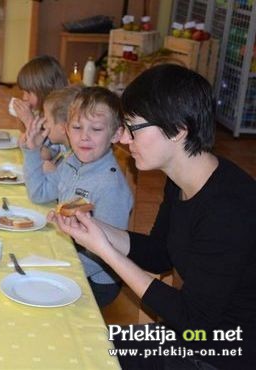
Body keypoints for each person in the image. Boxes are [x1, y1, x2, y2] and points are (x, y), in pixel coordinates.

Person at [49, 64, 256, 369]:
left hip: (225, 350)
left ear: (177, 130)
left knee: (86, 357)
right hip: (192, 334)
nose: (123, 139)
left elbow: (192, 320)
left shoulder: (229, 208)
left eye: (133, 127)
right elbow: (160, 254)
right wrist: (95, 228)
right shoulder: (181, 180)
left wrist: (105, 250)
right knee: (75, 347)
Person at [22, 86, 133, 307]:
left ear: (116, 134)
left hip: (96, 277)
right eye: (77, 127)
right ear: (66, 130)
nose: (84, 136)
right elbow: (39, 193)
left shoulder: (110, 186)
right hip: (68, 255)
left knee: (32, 294)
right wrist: (32, 151)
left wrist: (59, 266)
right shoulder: (71, 161)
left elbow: (108, 253)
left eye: (96, 129)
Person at [13, 55, 68, 163]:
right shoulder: (41, 112)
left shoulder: (59, 117)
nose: (24, 97)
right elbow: (24, 139)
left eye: (28, 92)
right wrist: (24, 121)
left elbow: (45, 155)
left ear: (44, 90)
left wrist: (29, 122)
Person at [21, 85, 80, 174]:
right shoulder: (65, 149)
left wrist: (53, 174)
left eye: (47, 120)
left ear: (63, 128)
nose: (44, 125)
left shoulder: (75, 162)